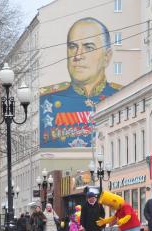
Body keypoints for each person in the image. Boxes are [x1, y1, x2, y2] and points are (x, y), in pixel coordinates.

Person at [39, 17, 122, 148]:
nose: (77, 56)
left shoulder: (121, 96)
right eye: (72, 47)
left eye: (88, 47)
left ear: (107, 57)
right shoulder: (48, 99)